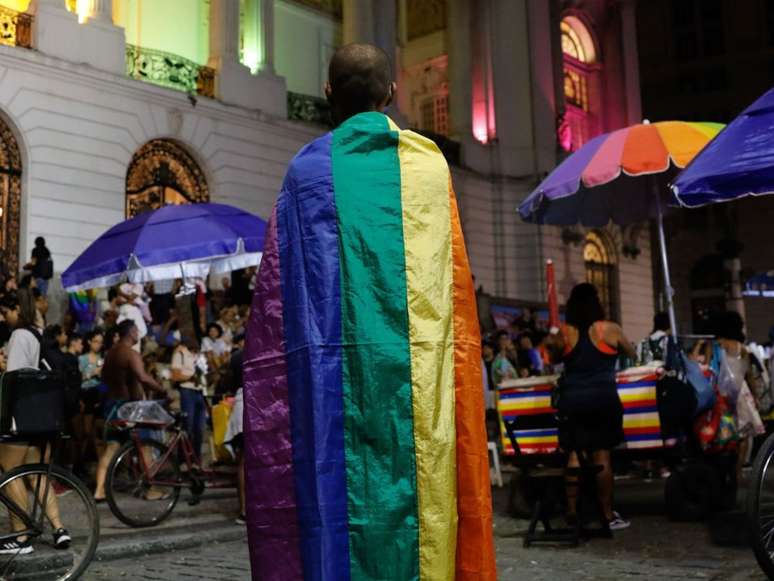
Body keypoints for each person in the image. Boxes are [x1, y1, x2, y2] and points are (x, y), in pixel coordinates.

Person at [243, 44, 496, 579]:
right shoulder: (428, 167)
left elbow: (278, 304)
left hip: (331, 392)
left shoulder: (305, 173)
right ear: (392, 95)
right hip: (416, 389)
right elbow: (451, 290)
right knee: (420, 508)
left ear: (328, 93)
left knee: (333, 509)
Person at [550, 283, 636, 531]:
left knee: (574, 454)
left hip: (572, 399)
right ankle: (607, 515)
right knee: (603, 455)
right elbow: (630, 352)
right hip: (603, 399)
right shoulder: (609, 329)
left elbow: (553, 357)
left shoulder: (565, 333)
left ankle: (572, 511)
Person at [0, 288, 70, 553]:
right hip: (39, 417)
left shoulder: (18, 335)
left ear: (18, 309)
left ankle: (20, 537)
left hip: (19, 418)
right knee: (37, 474)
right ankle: (59, 528)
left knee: (10, 473)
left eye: (6, 312)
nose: (4, 317)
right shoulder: (37, 333)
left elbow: (15, 378)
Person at [93, 320, 169, 502]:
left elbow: (104, 382)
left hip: (112, 406)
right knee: (145, 447)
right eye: (137, 331)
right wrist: (162, 390)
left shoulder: (111, 353)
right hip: (129, 409)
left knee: (111, 447)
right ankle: (151, 489)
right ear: (132, 332)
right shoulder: (130, 353)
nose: (138, 334)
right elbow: (142, 377)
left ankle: (99, 490)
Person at [171, 338, 208, 462]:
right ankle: (184, 459)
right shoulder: (180, 353)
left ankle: (196, 460)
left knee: (199, 429)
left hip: (201, 392)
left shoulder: (200, 356)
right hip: (187, 391)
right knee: (188, 426)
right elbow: (175, 376)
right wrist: (191, 377)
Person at [78, 330, 105, 471]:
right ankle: (80, 463)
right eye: (96, 341)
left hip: (99, 394)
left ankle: (100, 464)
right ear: (89, 342)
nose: (98, 345)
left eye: (101, 342)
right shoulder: (82, 359)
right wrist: (94, 373)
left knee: (98, 431)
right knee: (86, 431)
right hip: (86, 393)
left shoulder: (103, 358)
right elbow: (79, 378)